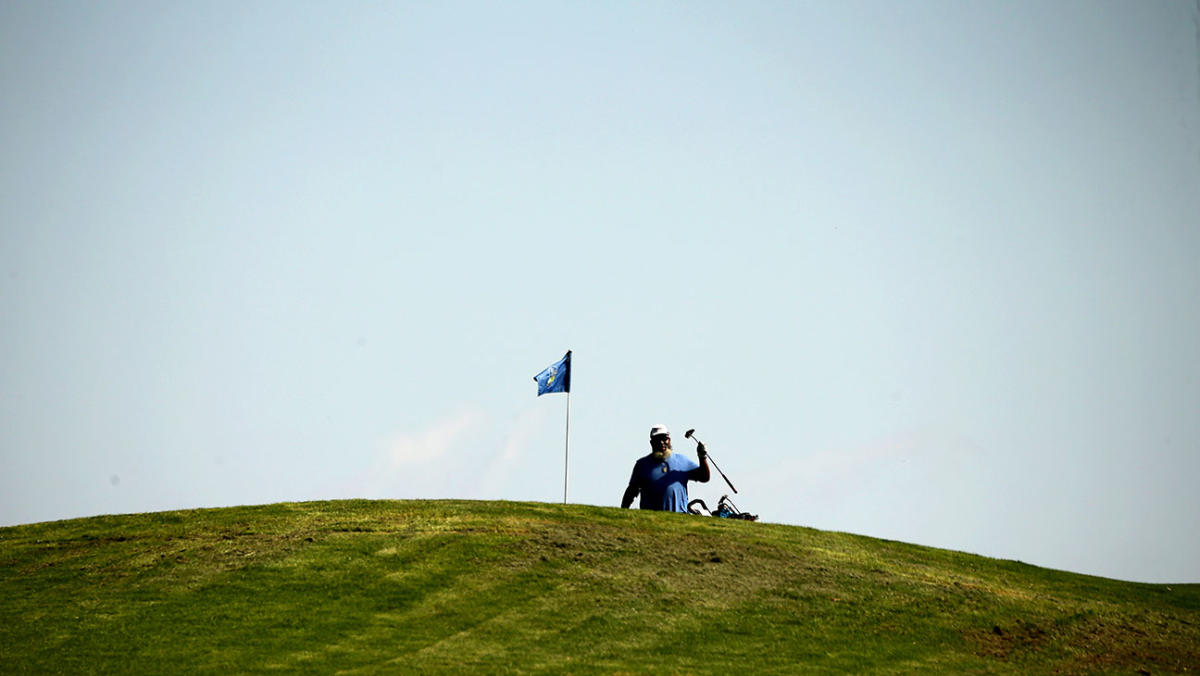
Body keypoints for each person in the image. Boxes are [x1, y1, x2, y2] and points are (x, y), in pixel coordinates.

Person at [621, 425, 710, 512]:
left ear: (669, 440)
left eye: (664, 439)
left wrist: (702, 457)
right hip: (650, 521)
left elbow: (704, 477)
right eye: (657, 439)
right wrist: (623, 512)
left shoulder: (682, 461)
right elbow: (632, 491)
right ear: (651, 443)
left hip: (680, 519)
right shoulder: (642, 465)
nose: (661, 442)